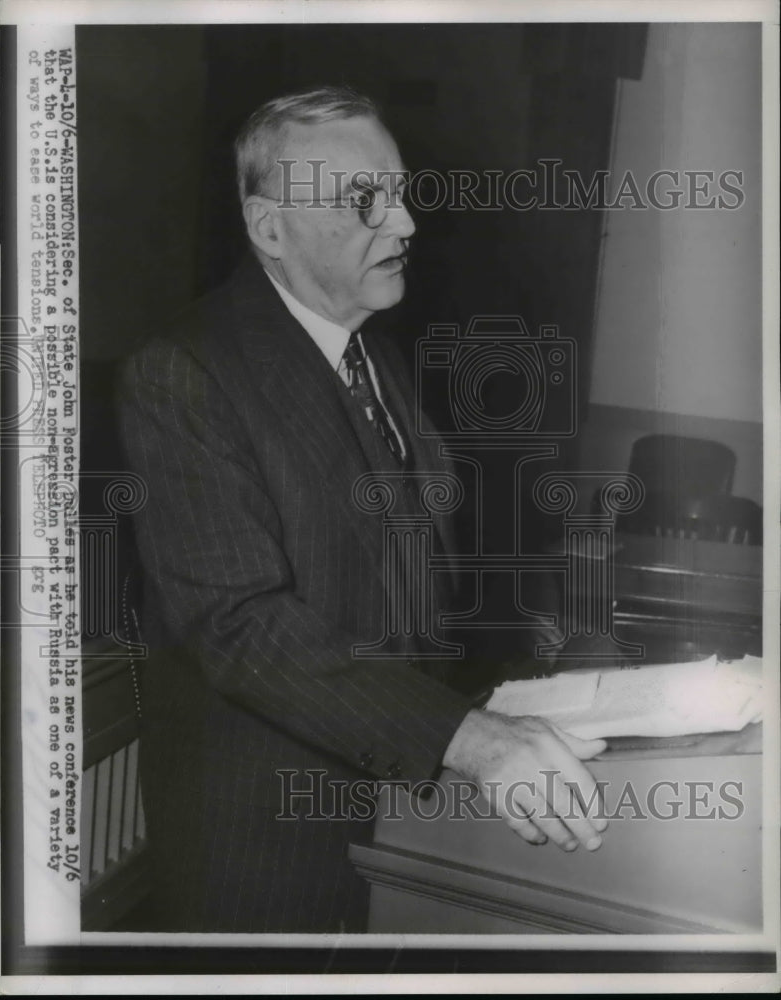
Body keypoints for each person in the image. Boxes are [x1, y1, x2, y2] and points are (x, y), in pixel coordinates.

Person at [119, 86, 607, 933]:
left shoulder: (374, 355)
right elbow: (240, 625)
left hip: (395, 816)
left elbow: (403, 588)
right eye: (363, 201)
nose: (406, 223)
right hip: (265, 846)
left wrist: (518, 686)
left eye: (401, 193)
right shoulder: (182, 373)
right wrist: (467, 739)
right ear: (270, 229)